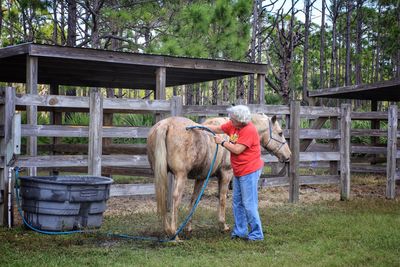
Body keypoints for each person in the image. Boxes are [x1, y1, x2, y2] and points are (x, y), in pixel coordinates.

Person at [206, 105, 264, 241]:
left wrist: (222, 142)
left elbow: (237, 149)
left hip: (249, 171)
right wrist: (198, 126)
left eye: (232, 118)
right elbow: (218, 129)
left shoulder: (249, 130)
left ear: (240, 119)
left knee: (249, 203)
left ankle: (256, 234)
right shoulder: (233, 126)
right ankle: (240, 232)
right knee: (237, 202)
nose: (230, 120)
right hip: (238, 170)